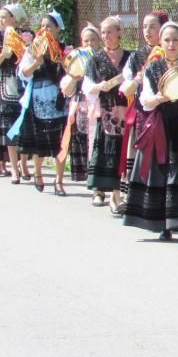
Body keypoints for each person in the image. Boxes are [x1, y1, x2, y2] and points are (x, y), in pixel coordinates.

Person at [123, 21, 178, 239]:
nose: (172, 44)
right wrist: (159, 98)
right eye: (167, 40)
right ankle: (165, 224)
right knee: (163, 172)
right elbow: (144, 100)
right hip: (162, 124)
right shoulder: (153, 67)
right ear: (160, 43)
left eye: (176, 40)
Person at [118, 10, 169, 212]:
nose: (148, 31)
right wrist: (139, 78)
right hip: (143, 113)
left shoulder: (171, 54)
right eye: (145, 26)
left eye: (153, 26)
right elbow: (126, 89)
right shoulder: (136, 56)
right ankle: (133, 200)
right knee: (139, 155)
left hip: (167, 114)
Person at [15, 11, 68, 196]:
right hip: (38, 99)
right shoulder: (33, 49)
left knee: (62, 142)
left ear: (57, 30)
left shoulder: (63, 49)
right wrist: (37, 62)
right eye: (43, 26)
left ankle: (59, 181)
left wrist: (64, 62)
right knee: (40, 140)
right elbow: (23, 74)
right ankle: (38, 173)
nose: (45, 30)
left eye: (49, 27)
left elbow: (72, 73)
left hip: (59, 100)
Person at [84, 16, 130, 214]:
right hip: (107, 113)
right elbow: (86, 85)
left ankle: (119, 193)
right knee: (110, 152)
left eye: (110, 32)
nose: (106, 36)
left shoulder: (130, 57)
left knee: (124, 152)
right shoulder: (96, 58)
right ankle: (114, 195)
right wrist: (98, 86)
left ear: (119, 32)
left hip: (126, 112)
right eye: (103, 33)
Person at [59, 23, 102, 185]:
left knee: (96, 140)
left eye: (93, 40)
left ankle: (97, 180)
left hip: (98, 107)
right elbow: (67, 90)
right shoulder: (76, 61)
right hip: (80, 107)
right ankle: (86, 177)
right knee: (81, 139)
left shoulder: (102, 59)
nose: (89, 44)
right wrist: (74, 76)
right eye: (86, 41)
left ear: (99, 42)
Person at [0, 2, 29, 183]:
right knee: (10, 125)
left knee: (25, 125)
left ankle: (23, 165)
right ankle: (13, 167)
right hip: (6, 84)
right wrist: (4, 54)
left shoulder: (25, 35)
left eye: (4, 17)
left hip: (24, 82)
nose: (2, 20)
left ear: (14, 18)